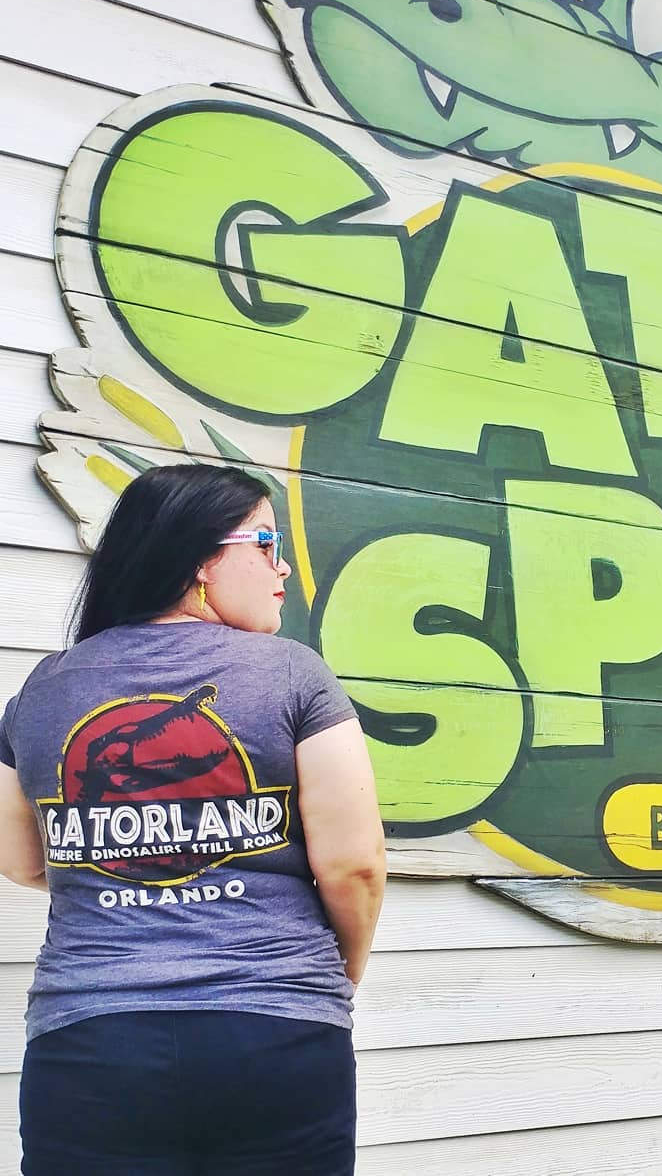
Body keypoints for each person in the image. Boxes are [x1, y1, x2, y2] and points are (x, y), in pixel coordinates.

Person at [0, 463, 386, 1174]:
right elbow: (353, 864)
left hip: (89, 1048)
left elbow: (24, 860)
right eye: (267, 542)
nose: (284, 565)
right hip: (274, 1036)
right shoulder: (294, 675)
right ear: (202, 557)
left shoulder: (44, 688)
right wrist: (336, 978)